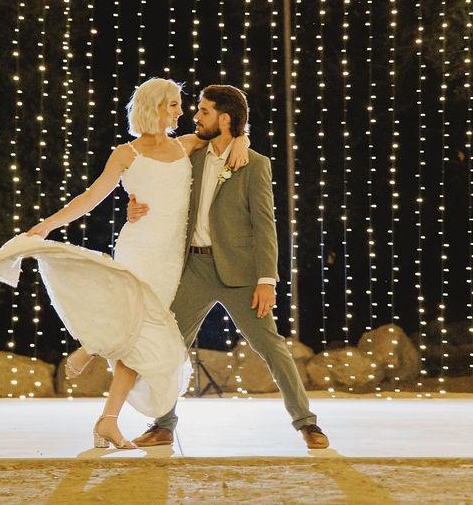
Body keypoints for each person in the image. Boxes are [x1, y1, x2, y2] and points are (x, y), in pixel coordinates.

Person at [0, 77, 249, 450]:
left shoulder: (186, 145)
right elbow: (91, 197)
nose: (183, 111)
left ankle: (106, 414)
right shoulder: (126, 154)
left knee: (139, 338)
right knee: (135, 321)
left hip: (170, 258)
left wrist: (242, 140)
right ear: (155, 108)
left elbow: (227, 134)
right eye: (174, 104)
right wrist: (46, 226)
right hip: (139, 248)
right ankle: (94, 353)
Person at [127, 84, 330, 450]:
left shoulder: (255, 164)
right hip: (193, 268)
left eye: (203, 111)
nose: (195, 116)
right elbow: (156, 181)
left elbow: (265, 226)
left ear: (223, 119)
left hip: (242, 274)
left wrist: (266, 280)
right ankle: (163, 425)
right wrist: (134, 204)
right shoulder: (191, 155)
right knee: (169, 345)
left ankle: (307, 423)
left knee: (272, 347)